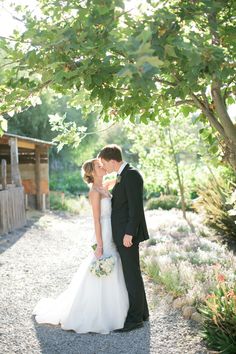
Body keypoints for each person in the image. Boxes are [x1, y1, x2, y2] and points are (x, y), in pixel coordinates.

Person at [32, 158, 129, 334]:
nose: (103, 167)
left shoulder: (105, 187)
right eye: (99, 166)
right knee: (102, 263)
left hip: (112, 231)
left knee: (114, 265)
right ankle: (96, 314)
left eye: (102, 165)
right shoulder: (94, 192)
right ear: (92, 172)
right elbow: (96, 220)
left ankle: (115, 310)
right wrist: (99, 245)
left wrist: (122, 173)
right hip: (103, 233)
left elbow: (120, 177)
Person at [98, 144, 149, 332]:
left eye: (105, 163)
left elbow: (135, 208)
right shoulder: (123, 175)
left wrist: (129, 233)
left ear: (112, 160)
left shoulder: (132, 175)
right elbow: (122, 203)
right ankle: (143, 313)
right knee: (132, 272)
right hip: (122, 233)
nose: (105, 168)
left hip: (127, 235)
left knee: (131, 275)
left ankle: (135, 319)